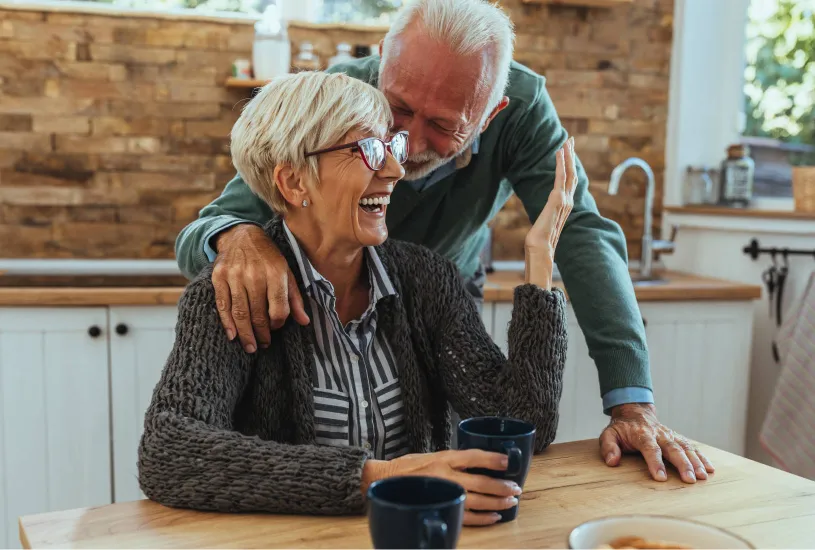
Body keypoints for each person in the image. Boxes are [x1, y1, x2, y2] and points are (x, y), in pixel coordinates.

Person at [174, 0, 714, 483]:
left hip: (441, 297)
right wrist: (240, 237)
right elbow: (216, 221)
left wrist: (631, 403)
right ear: (382, 58)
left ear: (492, 113)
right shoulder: (337, 103)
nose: (402, 150)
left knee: (432, 438)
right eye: (397, 110)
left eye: (443, 125)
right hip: (308, 311)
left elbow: (580, 233)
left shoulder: (521, 112)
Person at [138, 71, 571, 525]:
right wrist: (380, 476)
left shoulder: (427, 280)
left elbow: (522, 421)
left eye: (391, 147)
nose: (395, 170)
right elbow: (169, 450)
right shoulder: (228, 295)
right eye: (366, 150)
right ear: (294, 183)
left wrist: (539, 261)